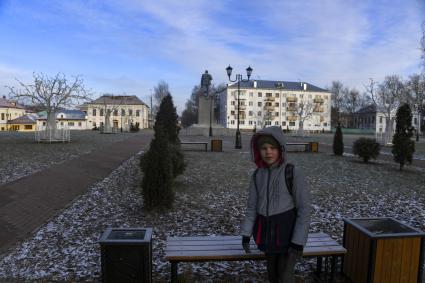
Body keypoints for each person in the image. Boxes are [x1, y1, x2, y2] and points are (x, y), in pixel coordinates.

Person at [241, 126, 311, 283]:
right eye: (264, 148)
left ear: (281, 149)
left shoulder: (292, 173)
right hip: (268, 237)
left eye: (273, 148)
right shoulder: (257, 175)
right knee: (272, 276)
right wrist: (246, 233)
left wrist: (298, 241)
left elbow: (304, 209)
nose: (268, 152)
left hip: (288, 239)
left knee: (285, 278)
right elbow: (252, 207)